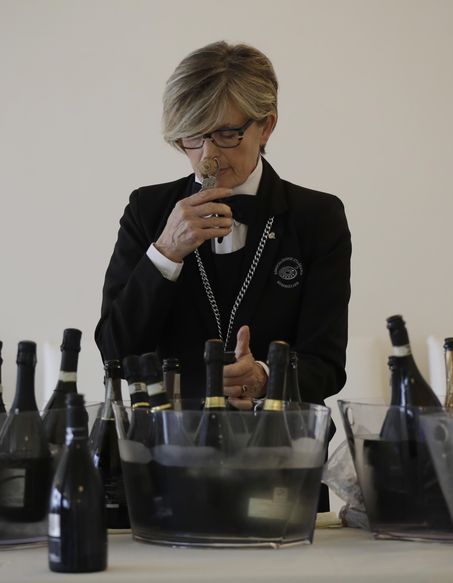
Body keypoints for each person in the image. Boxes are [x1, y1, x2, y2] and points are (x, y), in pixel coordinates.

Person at [94, 40, 350, 416]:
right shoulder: (147, 210)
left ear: (266, 127)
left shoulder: (318, 216)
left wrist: (263, 378)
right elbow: (115, 352)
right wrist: (165, 252)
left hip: (281, 449)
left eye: (227, 134)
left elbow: (326, 365)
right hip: (168, 448)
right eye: (193, 137)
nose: (207, 157)